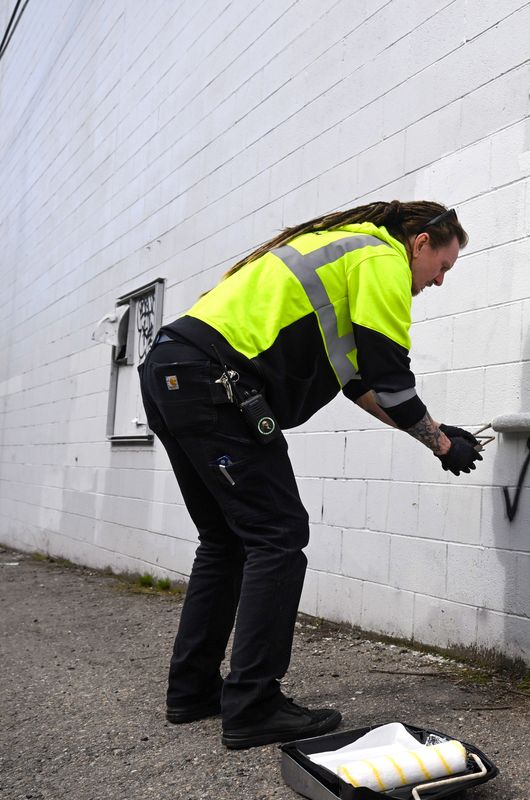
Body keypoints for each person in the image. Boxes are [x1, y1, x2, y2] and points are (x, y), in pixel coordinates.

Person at [138, 200, 482, 750]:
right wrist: (442, 445)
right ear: (420, 243)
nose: (439, 281)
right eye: (442, 266)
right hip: (216, 382)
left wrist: (436, 432)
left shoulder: (344, 257)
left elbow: (363, 385)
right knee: (278, 535)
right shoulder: (380, 258)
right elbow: (392, 379)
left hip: (174, 371)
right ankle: (252, 705)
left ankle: (193, 691)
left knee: (226, 540)